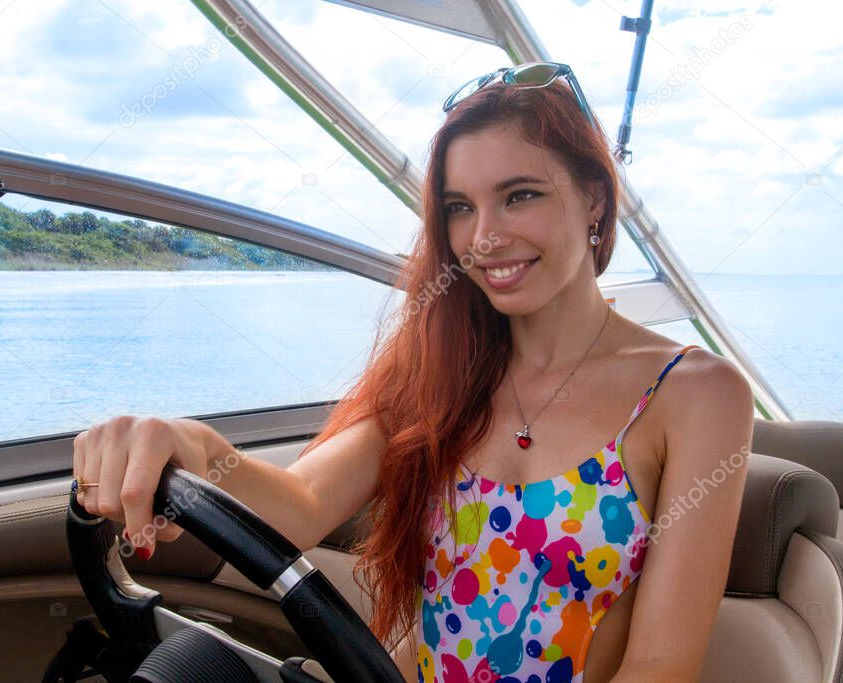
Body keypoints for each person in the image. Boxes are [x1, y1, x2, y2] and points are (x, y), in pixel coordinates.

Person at [72, 63, 754, 683]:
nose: (484, 237)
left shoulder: (696, 394)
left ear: (597, 200)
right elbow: (302, 504)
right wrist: (192, 445)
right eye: (461, 207)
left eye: (519, 196)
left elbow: (662, 665)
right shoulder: (442, 361)